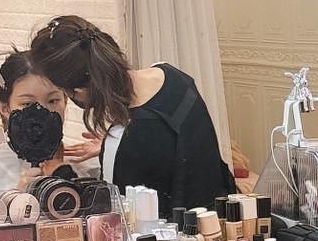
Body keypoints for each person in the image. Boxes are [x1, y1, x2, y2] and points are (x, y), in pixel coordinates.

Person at [29, 16, 236, 219]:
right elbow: (172, 145)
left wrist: (59, 172)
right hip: (222, 217)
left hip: (179, 238)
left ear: (79, 91)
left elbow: (107, 219)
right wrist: (112, 146)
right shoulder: (173, 76)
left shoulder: (124, 142)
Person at [0, 51, 100, 196]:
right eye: (27, 103)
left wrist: (111, 150)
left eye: (52, 101)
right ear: (5, 108)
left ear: (65, 101)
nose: (42, 112)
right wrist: (15, 200)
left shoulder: (89, 166)